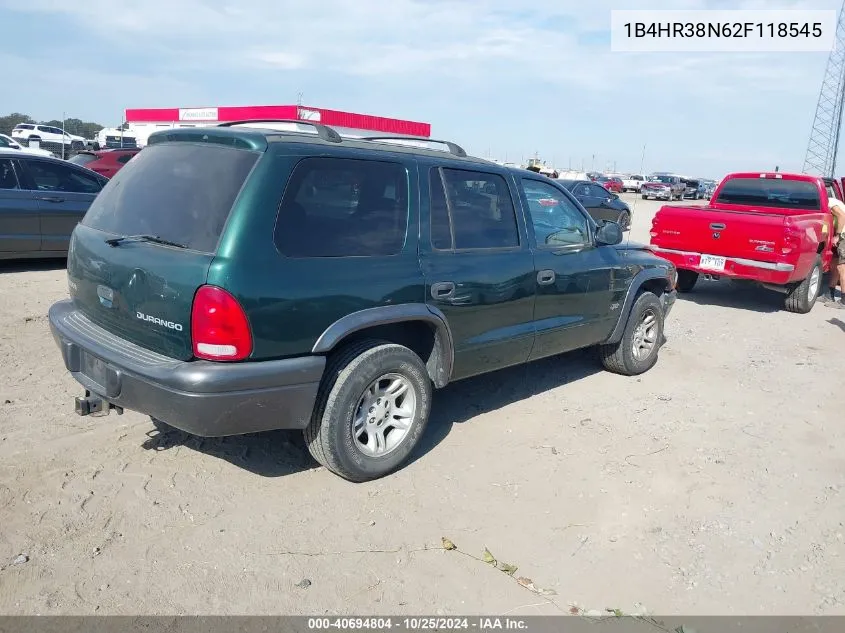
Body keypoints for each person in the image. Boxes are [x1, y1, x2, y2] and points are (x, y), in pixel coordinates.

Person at [822, 194, 845, 307]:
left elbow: (842, 216)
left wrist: (838, 235)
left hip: (843, 237)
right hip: (841, 237)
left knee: (842, 268)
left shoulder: (830, 202)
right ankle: (830, 294)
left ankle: (843, 301)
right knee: (834, 265)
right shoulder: (829, 203)